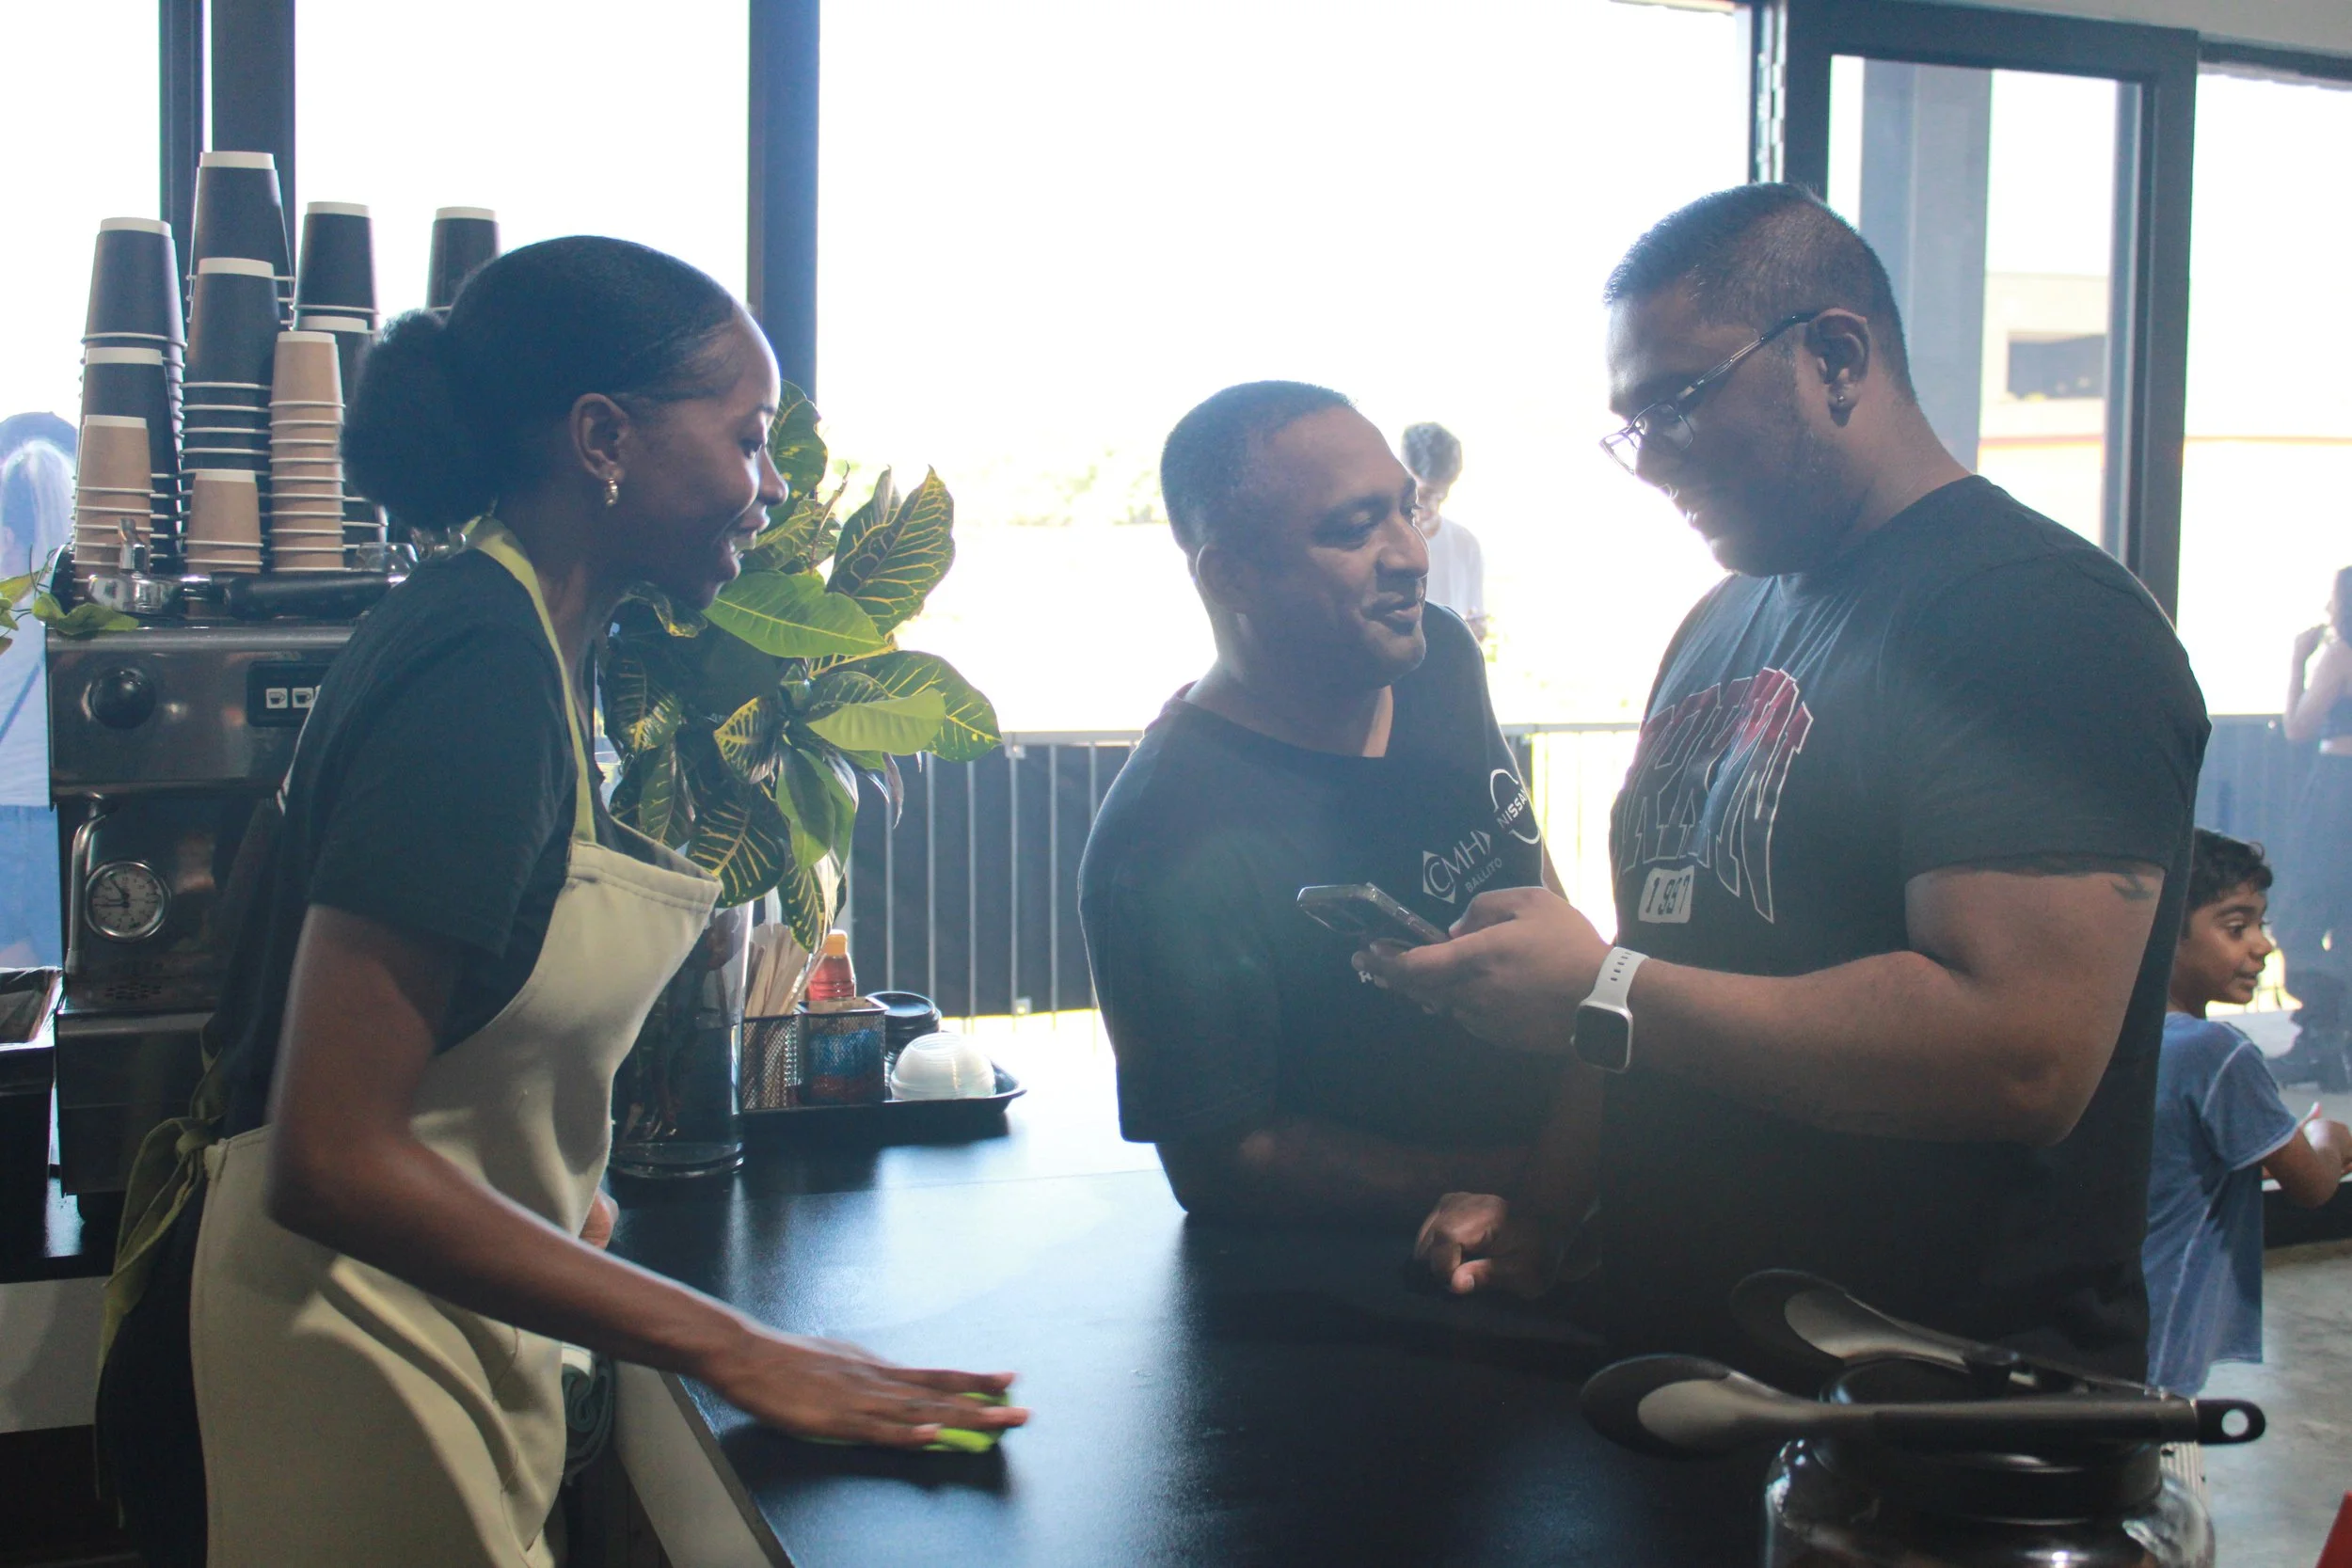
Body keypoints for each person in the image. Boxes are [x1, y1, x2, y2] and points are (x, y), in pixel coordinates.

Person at [95, 237, 1024, 1568]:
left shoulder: (522, 638)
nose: (767, 487)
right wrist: (740, 1342)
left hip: (414, 1330)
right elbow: (333, 1152)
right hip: (332, 1366)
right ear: (604, 437)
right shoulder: (476, 662)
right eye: (747, 437)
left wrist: (559, 1188)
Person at [1367, 184, 2209, 1379]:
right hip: (1691, 1361)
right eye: (1629, 423)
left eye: (1680, 402)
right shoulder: (1719, 620)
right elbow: (1659, 960)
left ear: (1835, 354)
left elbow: (2018, 1049)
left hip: (1931, 1419)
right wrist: (1550, 1210)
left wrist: (1601, 984)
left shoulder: (2034, 617)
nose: (1649, 459)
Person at [1076, 381, 1581, 1227]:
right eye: (1353, 529)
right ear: (1229, 573)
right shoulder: (1161, 840)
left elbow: (1528, 870)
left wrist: (1578, 1163)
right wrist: (1516, 1179)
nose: (1413, 556)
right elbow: (1221, 1161)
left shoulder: (1442, 658)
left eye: (1406, 511)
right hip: (1358, 1299)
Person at [2144, 829, 2352, 1395]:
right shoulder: (2215, 1053)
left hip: (2104, 1333)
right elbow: (2310, 1184)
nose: (2261, 946)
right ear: (2165, 932)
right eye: (2237, 927)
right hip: (2161, 1347)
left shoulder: (2116, 1037)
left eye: (2260, 925)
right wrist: (2328, 1136)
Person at [2271, 566, 2352, 1088]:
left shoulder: (2341, 653)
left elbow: (2299, 727)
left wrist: (2299, 659)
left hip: (2338, 786)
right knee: (2347, 916)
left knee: (2298, 911)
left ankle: (2317, 1034)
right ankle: (2340, 1040)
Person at [1399, 421, 1487, 641]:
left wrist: (1474, 630)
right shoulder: (1380, 545)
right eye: (1425, 494)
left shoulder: (1465, 544)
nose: (1433, 506)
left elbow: (1476, 622)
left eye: (1442, 494)